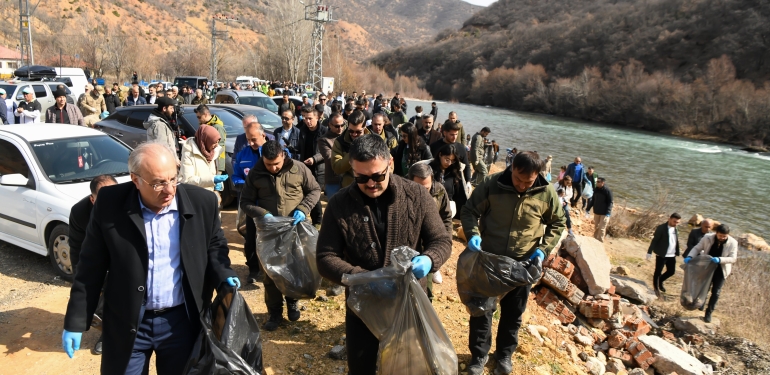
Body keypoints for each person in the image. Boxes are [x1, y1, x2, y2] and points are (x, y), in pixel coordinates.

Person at [62, 142, 240, 374]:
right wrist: (76, 320)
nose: (169, 190)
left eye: (173, 179)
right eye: (158, 183)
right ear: (135, 180)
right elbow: (90, 266)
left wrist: (223, 274)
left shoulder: (202, 203)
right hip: (129, 321)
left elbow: (214, 246)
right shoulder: (110, 203)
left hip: (181, 322)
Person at [317, 134, 452, 374]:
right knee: (361, 366)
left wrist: (430, 259)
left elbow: (441, 240)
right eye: (361, 177)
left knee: (408, 365)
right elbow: (325, 258)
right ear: (352, 169)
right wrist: (365, 280)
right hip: (362, 304)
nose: (370, 183)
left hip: (408, 301)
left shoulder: (418, 196)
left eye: (378, 176)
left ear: (390, 163)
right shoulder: (338, 204)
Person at [462, 151, 566, 375]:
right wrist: (472, 234)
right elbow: (470, 211)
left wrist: (542, 250)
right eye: (517, 179)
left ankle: (504, 355)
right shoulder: (492, 183)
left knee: (513, 313)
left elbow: (558, 223)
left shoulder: (546, 192)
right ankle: (478, 356)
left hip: (523, 264)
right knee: (482, 310)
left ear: (537, 175)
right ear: (511, 168)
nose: (521, 185)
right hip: (490, 260)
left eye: (527, 182)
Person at [240, 140, 321, 331]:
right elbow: (245, 201)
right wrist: (262, 214)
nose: (273, 168)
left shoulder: (299, 169)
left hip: (295, 229)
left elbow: (315, 190)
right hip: (269, 232)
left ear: (283, 155)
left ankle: (292, 301)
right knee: (270, 272)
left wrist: (303, 208)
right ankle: (275, 312)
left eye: (276, 163)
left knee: (294, 267)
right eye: (269, 164)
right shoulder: (256, 173)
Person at [68, 175, 118, 355]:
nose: (112, 201)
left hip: (124, 256)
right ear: (93, 199)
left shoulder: (130, 202)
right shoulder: (80, 213)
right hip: (99, 258)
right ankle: (108, 333)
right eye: (104, 198)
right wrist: (80, 280)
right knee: (96, 300)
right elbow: (76, 249)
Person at [408, 162, 453, 301]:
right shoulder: (401, 191)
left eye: (426, 188)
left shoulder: (439, 191)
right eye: (418, 188)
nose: (422, 193)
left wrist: (445, 242)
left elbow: (446, 217)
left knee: (425, 290)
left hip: (429, 245)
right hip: (409, 245)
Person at [232, 116, 268, 284]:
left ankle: (271, 269)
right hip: (251, 205)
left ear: (263, 136)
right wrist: (246, 184)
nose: (251, 143)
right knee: (251, 238)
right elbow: (236, 177)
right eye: (248, 140)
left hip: (270, 205)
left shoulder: (273, 152)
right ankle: (253, 270)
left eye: (254, 140)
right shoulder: (242, 155)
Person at [684, 224, 738, 323]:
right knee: (704, 287)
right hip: (707, 267)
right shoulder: (707, 237)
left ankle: (709, 312)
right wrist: (690, 256)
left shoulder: (733, 243)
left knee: (716, 292)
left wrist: (720, 259)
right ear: (716, 233)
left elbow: (733, 258)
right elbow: (697, 248)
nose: (722, 238)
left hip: (721, 269)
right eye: (720, 235)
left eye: (724, 236)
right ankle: (701, 303)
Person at [296, 105, 328, 226]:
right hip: (305, 168)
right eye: (305, 118)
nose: (307, 121)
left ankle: (318, 222)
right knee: (307, 194)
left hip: (319, 169)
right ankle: (313, 221)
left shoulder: (324, 131)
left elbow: (327, 151)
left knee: (315, 196)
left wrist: (314, 159)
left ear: (317, 117)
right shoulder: (302, 130)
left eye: (310, 118)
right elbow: (300, 148)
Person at [179, 125, 227, 195]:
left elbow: (211, 173)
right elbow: (187, 181)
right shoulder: (188, 153)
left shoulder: (213, 152)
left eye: (218, 142)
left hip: (209, 195)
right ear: (206, 140)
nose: (217, 145)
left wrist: (218, 183)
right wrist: (212, 180)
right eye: (214, 142)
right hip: (195, 196)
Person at [430, 120, 472, 192]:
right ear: (445, 133)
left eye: (456, 134)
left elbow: (467, 165)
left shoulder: (461, 148)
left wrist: (468, 181)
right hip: (436, 180)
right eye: (452, 135)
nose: (455, 137)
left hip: (455, 182)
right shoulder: (434, 146)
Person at [429, 143, 469, 218]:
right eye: (447, 159)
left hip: (449, 209)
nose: (449, 163)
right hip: (432, 207)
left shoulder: (454, 171)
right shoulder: (430, 169)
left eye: (452, 160)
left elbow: (459, 195)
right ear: (440, 155)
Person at [646, 213, 682, 296]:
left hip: (672, 255)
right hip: (662, 254)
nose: (675, 224)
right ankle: (656, 289)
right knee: (658, 272)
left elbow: (675, 240)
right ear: (669, 219)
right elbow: (654, 240)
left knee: (671, 271)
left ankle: (660, 281)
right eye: (674, 221)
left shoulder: (676, 229)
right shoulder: (661, 228)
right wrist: (649, 252)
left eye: (677, 222)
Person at [332, 110, 370, 188]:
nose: (354, 134)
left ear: (364, 126)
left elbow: (388, 162)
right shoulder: (340, 142)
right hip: (350, 188)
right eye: (351, 131)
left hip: (370, 186)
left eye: (358, 132)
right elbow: (337, 168)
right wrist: (353, 152)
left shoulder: (373, 139)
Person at [143, 97, 179, 162]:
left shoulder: (161, 122)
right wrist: (173, 161)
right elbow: (162, 149)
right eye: (171, 108)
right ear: (164, 108)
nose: (173, 110)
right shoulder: (159, 125)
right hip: (165, 162)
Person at [318, 113, 345, 197]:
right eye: (337, 126)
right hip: (333, 181)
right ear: (330, 125)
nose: (340, 128)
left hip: (348, 178)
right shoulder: (324, 140)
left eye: (342, 125)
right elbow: (330, 158)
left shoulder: (348, 135)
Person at [195, 105, 227, 173]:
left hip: (216, 162)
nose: (198, 119)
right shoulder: (203, 126)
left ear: (206, 114)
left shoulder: (218, 127)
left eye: (199, 117)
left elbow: (220, 147)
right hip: (206, 161)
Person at [585, 177, 613, 242]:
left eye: (598, 182)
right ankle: (595, 240)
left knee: (602, 228)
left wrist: (608, 212)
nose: (596, 183)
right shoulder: (596, 190)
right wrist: (588, 208)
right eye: (596, 181)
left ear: (603, 183)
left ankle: (600, 241)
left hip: (604, 213)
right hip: (597, 211)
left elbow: (610, 202)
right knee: (596, 227)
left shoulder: (607, 191)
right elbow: (593, 200)